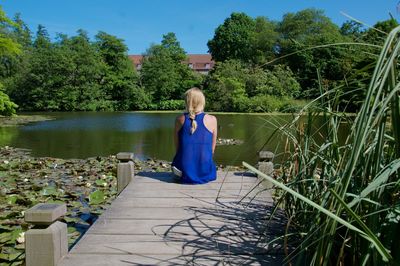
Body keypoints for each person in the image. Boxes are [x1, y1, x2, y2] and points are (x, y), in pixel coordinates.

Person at [172, 87, 217, 184]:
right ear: (202, 101)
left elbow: (177, 148)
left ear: (187, 101)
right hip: (205, 172)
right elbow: (212, 150)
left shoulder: (180, 119)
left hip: (184, 172)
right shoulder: (212, 119)